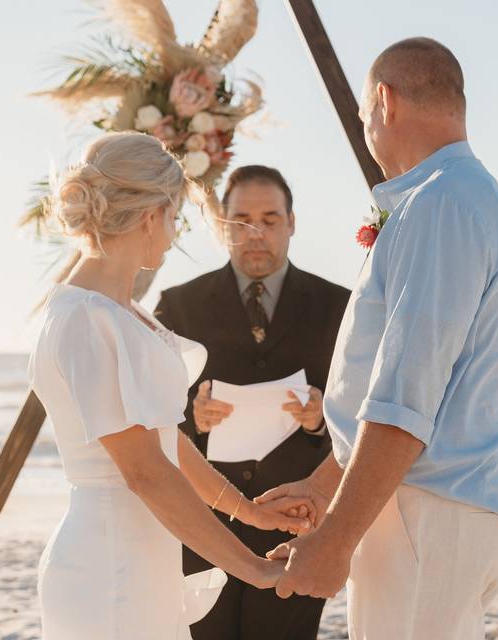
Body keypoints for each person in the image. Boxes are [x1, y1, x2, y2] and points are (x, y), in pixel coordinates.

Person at [256, 38, 498, 639]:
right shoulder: (445, 198)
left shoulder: (443, 204)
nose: (367, 130)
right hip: (419, 512)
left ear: (384, 101)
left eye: (363, 118)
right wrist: (326, 484)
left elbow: (408, 395)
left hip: (426, 514)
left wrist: (336, 539)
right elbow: (401, 388)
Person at [28, 133, 313, 640]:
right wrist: (254, 567)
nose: (175, 230)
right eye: (176, 215)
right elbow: (145, 472)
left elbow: (166, 443)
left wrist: (248, 511)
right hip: (108, 564)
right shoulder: (84, 319)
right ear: (150, 215)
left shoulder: (122, 312)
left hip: (144, 561)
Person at [154, 165, 351, 640]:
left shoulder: (339, 306)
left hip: (296, 527)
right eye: (241, 219)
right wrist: (194, 419)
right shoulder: (178, 305)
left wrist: (319, 422)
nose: (256, 233)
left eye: (270, 218)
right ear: (221, 223)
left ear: (292, 222)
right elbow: (150, 419)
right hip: (202, 529)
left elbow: (362, 419)